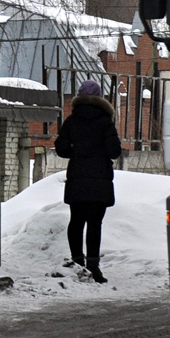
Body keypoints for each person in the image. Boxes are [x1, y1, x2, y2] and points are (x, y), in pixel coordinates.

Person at [55, 79, 121, 283]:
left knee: (76, 221)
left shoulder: (72, 121)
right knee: (95, 223)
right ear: (100, 98)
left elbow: (62, 149)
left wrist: (78, 151)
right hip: (100, 178)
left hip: (77, 177)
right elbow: (115, 151)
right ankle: (93, 266)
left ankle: (77, 263)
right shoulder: (105, 122)